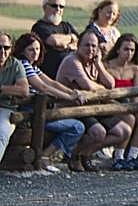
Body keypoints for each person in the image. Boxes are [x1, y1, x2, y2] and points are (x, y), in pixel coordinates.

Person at [56, 31, 126, 172]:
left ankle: (85, 154)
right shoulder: (72, 61)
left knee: (123, 131)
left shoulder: (94, 62)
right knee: (99, 132)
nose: (90, 49)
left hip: (93, 107)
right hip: (72, 109)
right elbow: (88, 86)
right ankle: (74, 155)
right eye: (86, 45)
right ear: (78, 46)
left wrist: (99, 64)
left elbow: (111, 84)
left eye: (94, 46)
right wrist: (101, 89)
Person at [12, 33, 85, 166]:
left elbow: (52, 83)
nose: (35, 53)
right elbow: (42, 87)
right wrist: (69, 97)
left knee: (75, 125)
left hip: (38, 111)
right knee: (77, 127)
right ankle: (46, 157)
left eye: (38, 49)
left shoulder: (32, 66)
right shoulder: (23, 64)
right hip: (30, 112)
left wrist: (73, 92)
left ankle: (45, 156)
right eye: (31, 49)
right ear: (22, 50)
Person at [104, 32, 138, 169]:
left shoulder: (134, 69)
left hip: (129, 105)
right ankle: (118, 156)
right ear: (118, 49)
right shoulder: (107, 66)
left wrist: (135, 106)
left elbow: (135, 94)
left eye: (132, 50)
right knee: (129, 118)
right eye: (126, 49)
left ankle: (132, 156)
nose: (129, 53)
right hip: (111, 104)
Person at [31, 0, 79, 80]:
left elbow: (80, 43)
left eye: (61, 6)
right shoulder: (39, 27)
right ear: (45, 7)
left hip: (72, 72)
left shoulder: (67, 26)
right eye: (54, 6)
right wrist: (71, 38)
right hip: (51, 76)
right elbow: (54, 41)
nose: (58, 9)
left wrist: (65, 45)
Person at [0, 32, 32, 163]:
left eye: (6, 48)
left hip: (6, 108)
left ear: (11, 49)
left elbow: (24, 90)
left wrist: (1, 89)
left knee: (2, 132)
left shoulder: (15, 65)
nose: (2, 52)